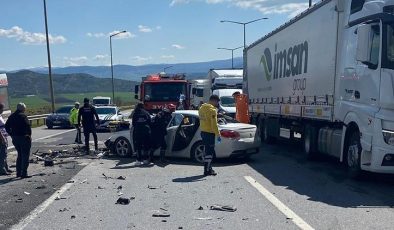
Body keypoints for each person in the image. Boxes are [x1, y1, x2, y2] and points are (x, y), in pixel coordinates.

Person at [5, 103, 32, 178]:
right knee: (25, 156)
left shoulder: (11, 116)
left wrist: (11, 134)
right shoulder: (23, 116)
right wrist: (29, 135)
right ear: (23, 109)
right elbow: (28, 126)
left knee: (19, 155)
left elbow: (6, 126)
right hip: (23, 137)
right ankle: (24, 173)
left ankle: (18, 172)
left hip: (15, 138)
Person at [198, 95, 221, 176]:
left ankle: (209, 168)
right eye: (217, 102)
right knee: (209, 153)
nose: (217, 104)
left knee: (207, 151)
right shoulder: (212, 110)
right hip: (209, 133)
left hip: (203, 132)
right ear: (214, 101)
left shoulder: (201, 108)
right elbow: (214, 124)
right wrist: (218, 134)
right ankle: (207, 170)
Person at [0, 103, 12, 176]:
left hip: (4, 136)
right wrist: (2, 138)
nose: (2, 110)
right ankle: (2, 170)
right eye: (2, 109)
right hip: (1, 138)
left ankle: (6, 168)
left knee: (4, 153)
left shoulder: (0, 116)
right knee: (2, 154)